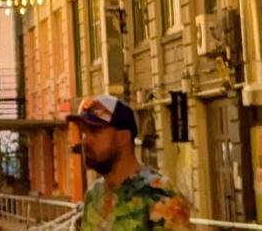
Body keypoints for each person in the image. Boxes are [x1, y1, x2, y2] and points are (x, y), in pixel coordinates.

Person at [68, 95, 192, 231]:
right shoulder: (94, 195)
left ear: (124, 137)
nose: (85, 140)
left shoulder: (160, 197)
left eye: (95, 131)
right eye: (84, 132)